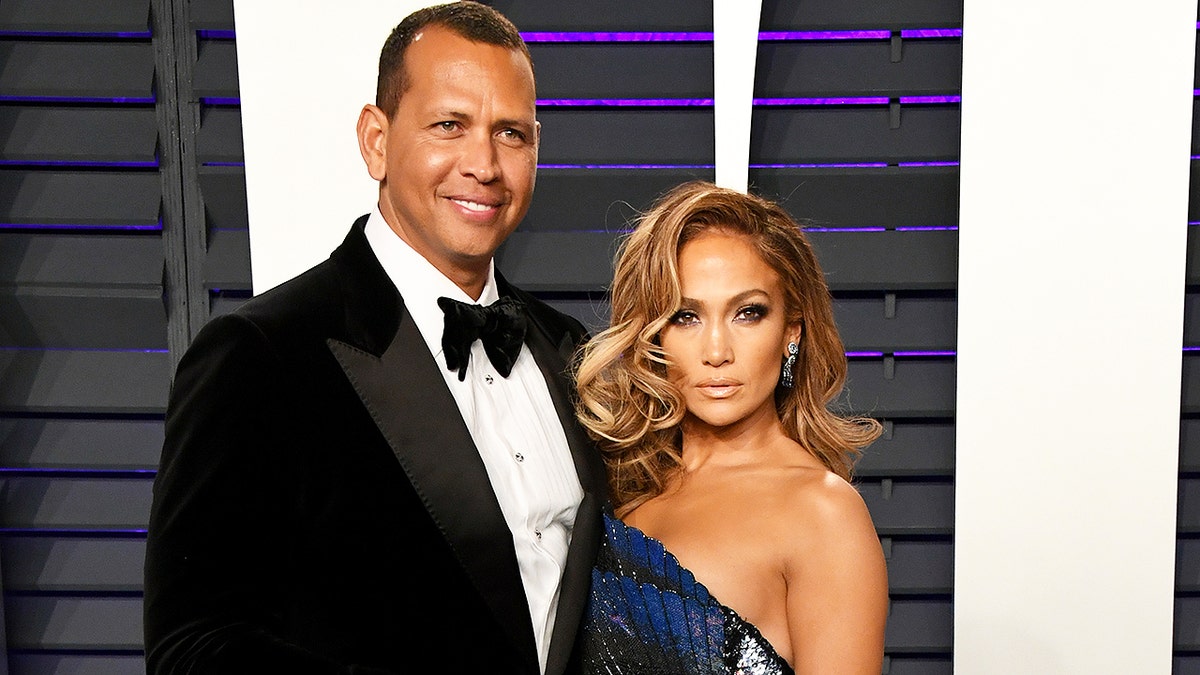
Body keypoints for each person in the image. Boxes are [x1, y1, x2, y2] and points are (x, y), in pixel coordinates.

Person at [143, 3, 605, 673]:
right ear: (376, 140)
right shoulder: (260, 355)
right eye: (449, 125)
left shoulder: (570, 351)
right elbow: (193, 646)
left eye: (511, 133)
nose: (483, 163)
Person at [574, 181, 888, 674]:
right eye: (686, 316)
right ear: (653, 332)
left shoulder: (823, 514)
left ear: (792, 330)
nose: (717, 351)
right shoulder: (617, 487)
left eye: (747, 313)